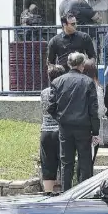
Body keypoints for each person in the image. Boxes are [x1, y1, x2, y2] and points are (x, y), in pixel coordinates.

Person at [47, 52, 99, 190]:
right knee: (85, 162)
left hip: (65, 127)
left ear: (69, 64)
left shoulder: (57, 82)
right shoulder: (88, 82)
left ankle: (66, 191)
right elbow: (93, 109)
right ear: (82, 65)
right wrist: (96, 130)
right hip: (83, 127)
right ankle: (84, 191)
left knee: (66, 162)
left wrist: (61, 119)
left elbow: (51, 107)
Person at [39, 64, 65, 192]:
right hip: (60, 131)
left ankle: (48, 193)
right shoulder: (63, 92)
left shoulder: (43, 93)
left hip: (45, 131)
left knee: (47, 166)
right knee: (63, 164)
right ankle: (62, 192)